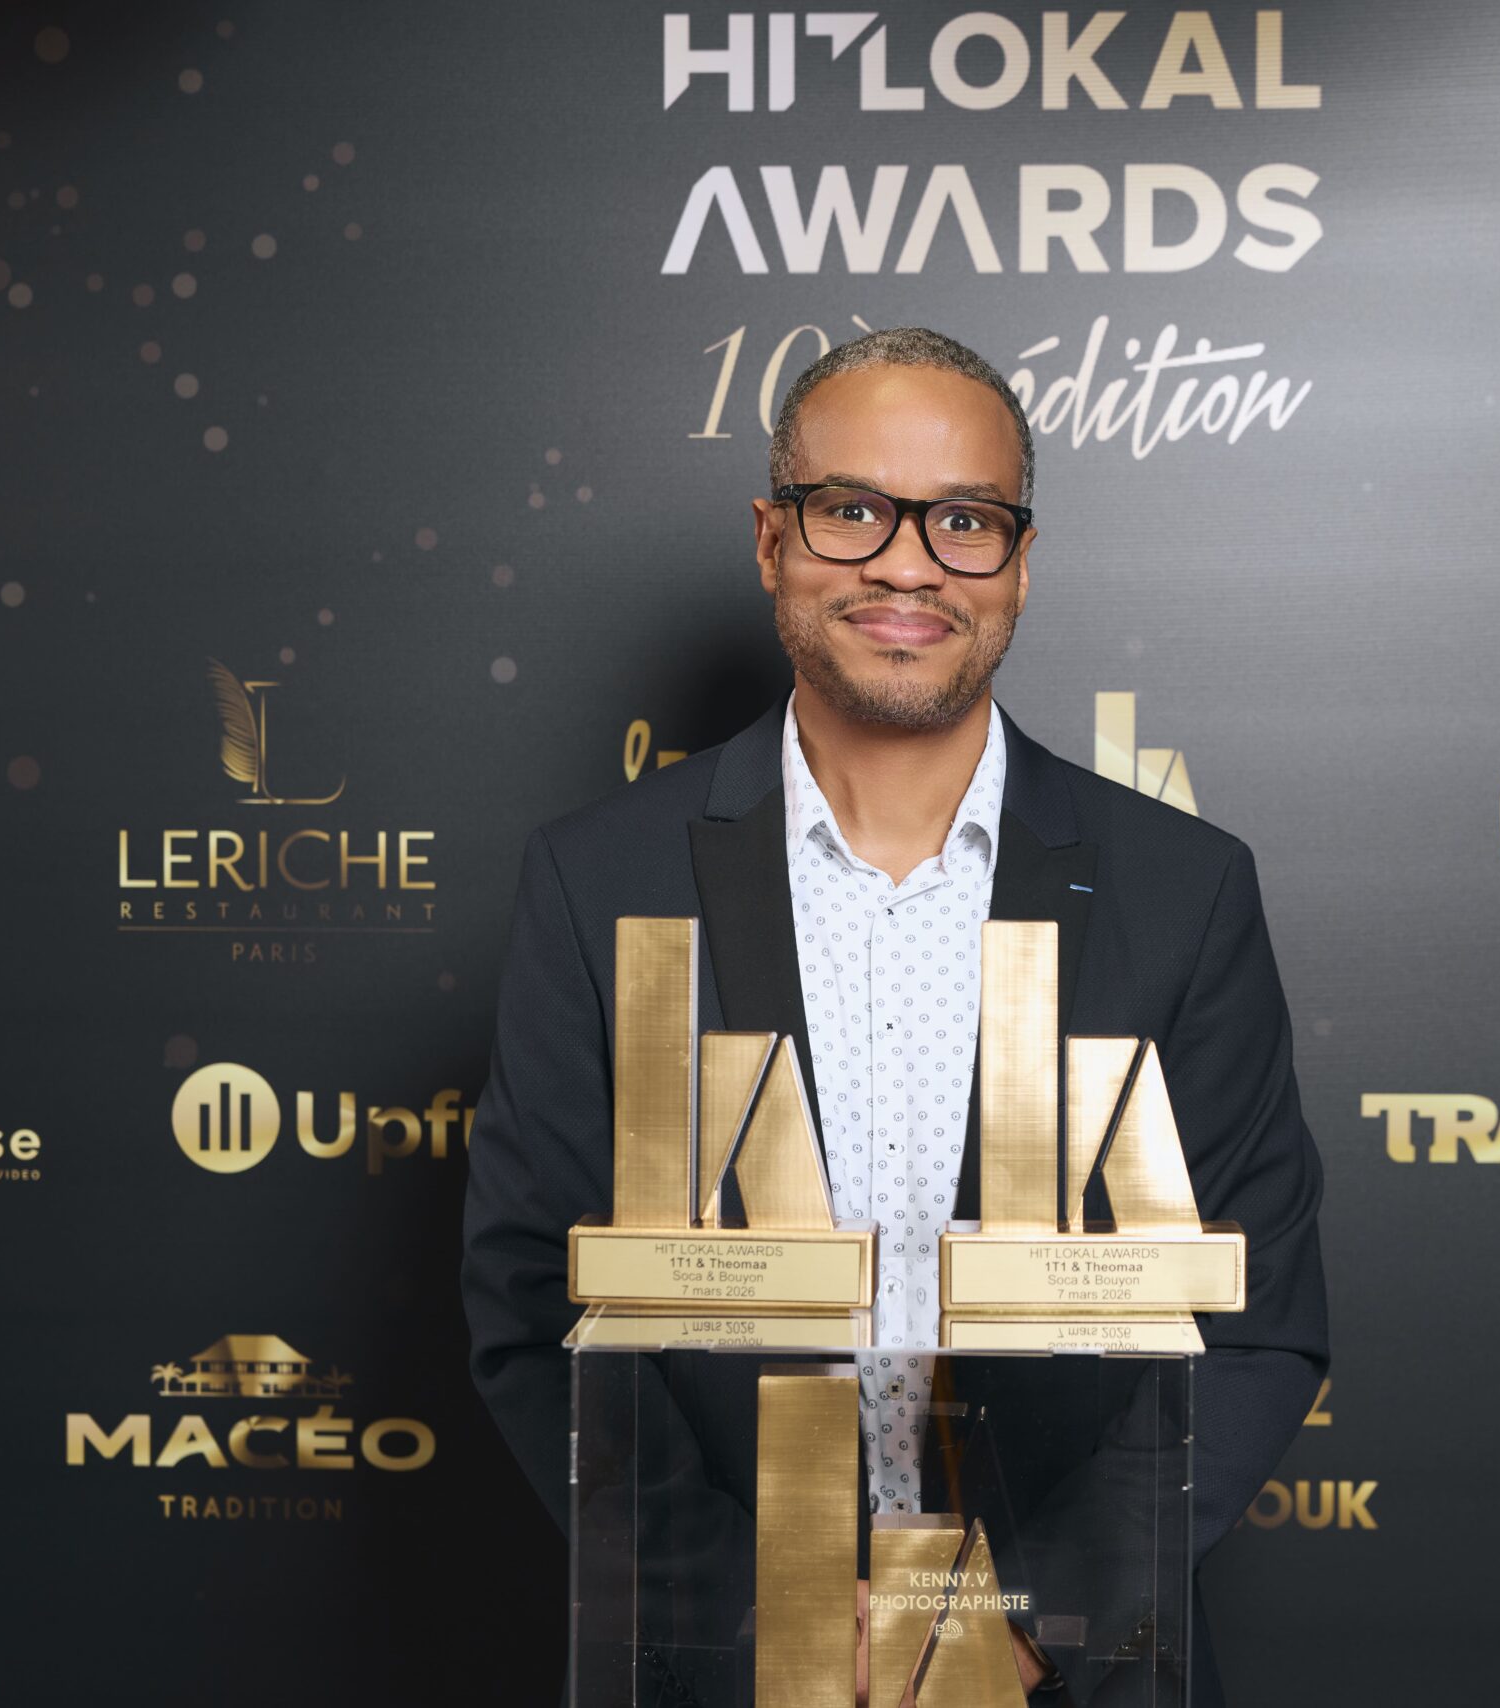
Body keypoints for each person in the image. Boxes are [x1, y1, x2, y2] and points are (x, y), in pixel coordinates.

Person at [463, 327, 1329, 1706]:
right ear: (772, 539)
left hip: (1069, 1673)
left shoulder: (1185, 890)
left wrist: (1011, 1626)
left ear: (1021, 564)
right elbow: (532, 1306)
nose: (909, 564)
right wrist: (778, 1626)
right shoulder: (598, 879)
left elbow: (1259, 1320)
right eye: (853, 509)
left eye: (965, 520)